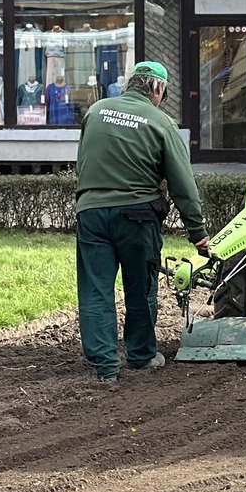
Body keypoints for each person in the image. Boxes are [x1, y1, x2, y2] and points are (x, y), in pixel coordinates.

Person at [73, 60, 209, 384]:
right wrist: (198, 233)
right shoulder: (160, 122)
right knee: (140, 288)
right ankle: (141, 356)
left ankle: (105, 367)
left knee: (95, 290)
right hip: (137, 215)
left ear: (131, 83)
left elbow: (82, 162)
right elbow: (182, 184)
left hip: (90, 211)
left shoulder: (96, 112)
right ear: (158, 89)